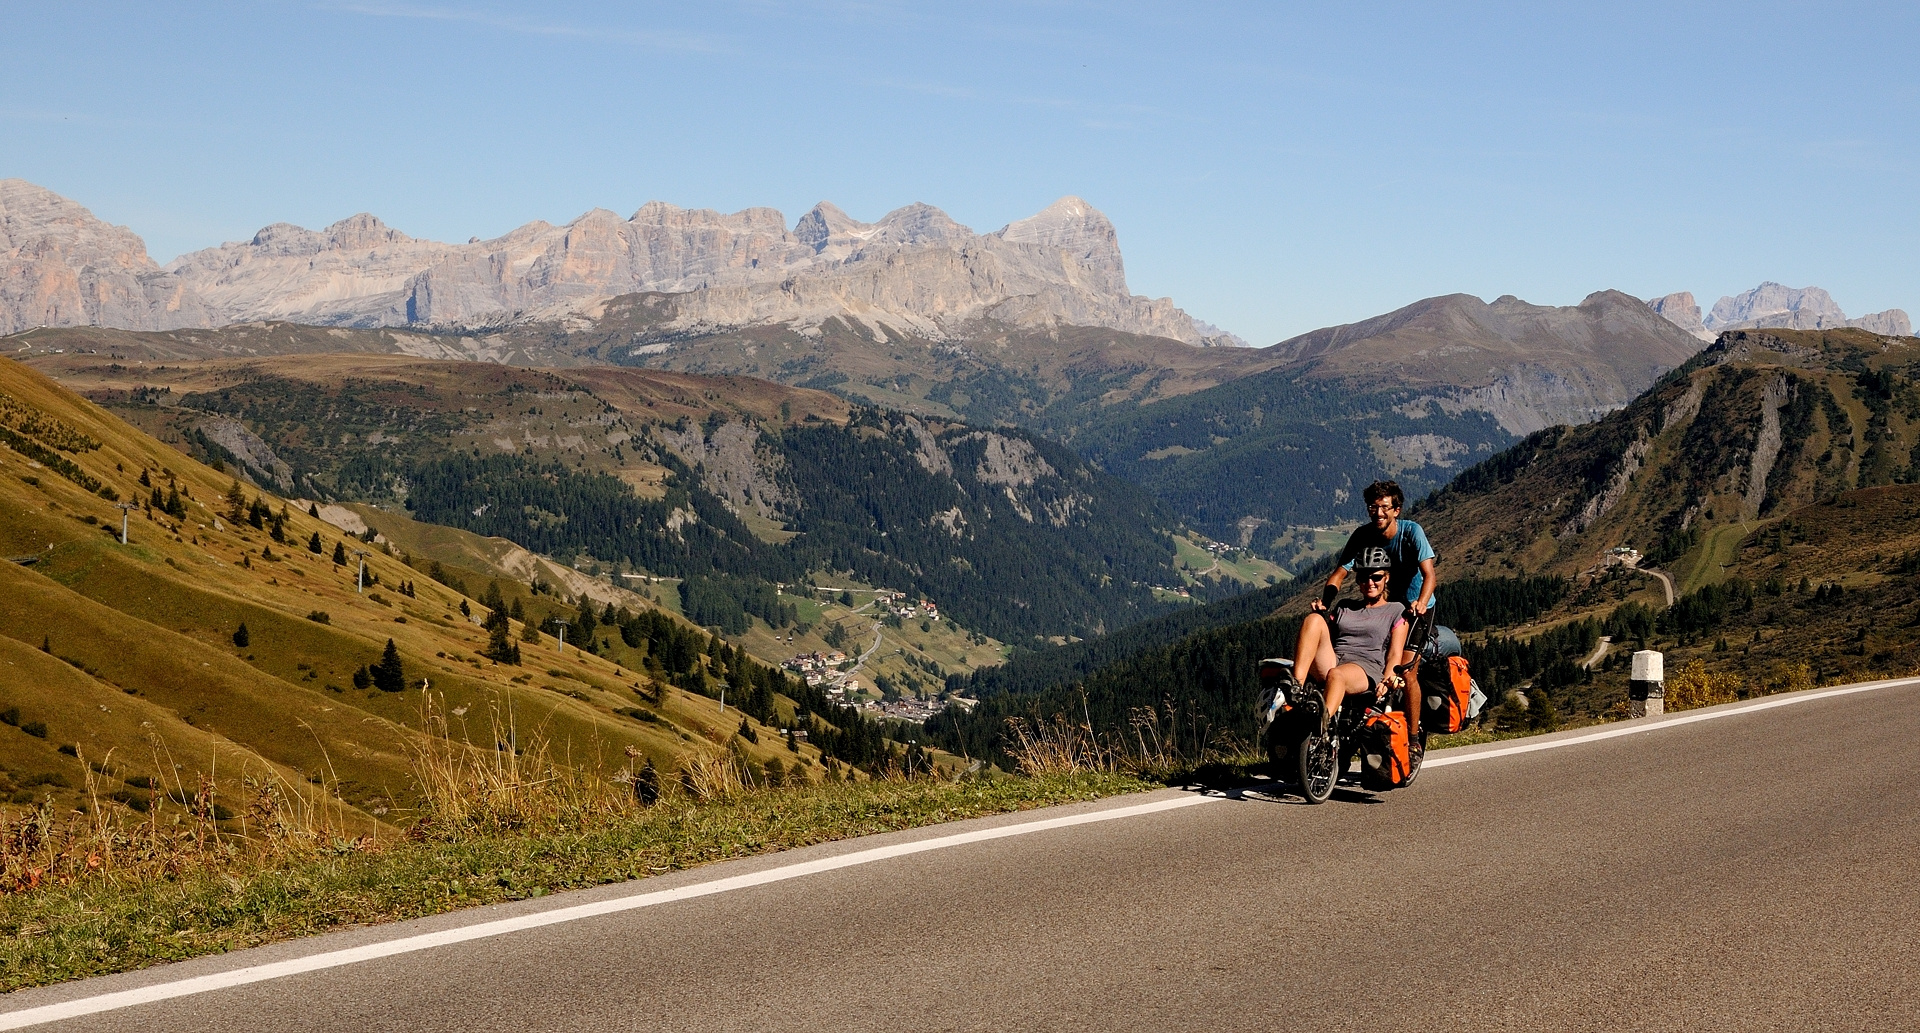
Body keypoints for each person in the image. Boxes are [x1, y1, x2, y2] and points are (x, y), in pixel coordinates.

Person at [1311, 479, 1438, 739]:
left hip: (1414, 609)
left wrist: (1422, 602)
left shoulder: (1411, 532)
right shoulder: (1362, 535)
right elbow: (1340, 573)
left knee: (1406, 672)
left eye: (1384, 507)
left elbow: (1429, 575)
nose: (1378, 513)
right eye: (1372, 507)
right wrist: (1326, 601)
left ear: (1396, 510)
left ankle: (1413, 737)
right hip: (1383, 606)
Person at [1291, 546, 1409, 734]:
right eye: (1363, 577)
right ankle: (1295, 688)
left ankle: (1321, 728)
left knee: (1337, 675)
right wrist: (1319, 612)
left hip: (1366, 668)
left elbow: (1395, 653)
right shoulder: (1344, 606)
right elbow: (1323, 637)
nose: (1369, 582)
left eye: (1376, 577)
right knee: (1313, 620)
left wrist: (1388, 681)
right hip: (1336, 660)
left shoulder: (1396, 611)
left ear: (1386, 577)